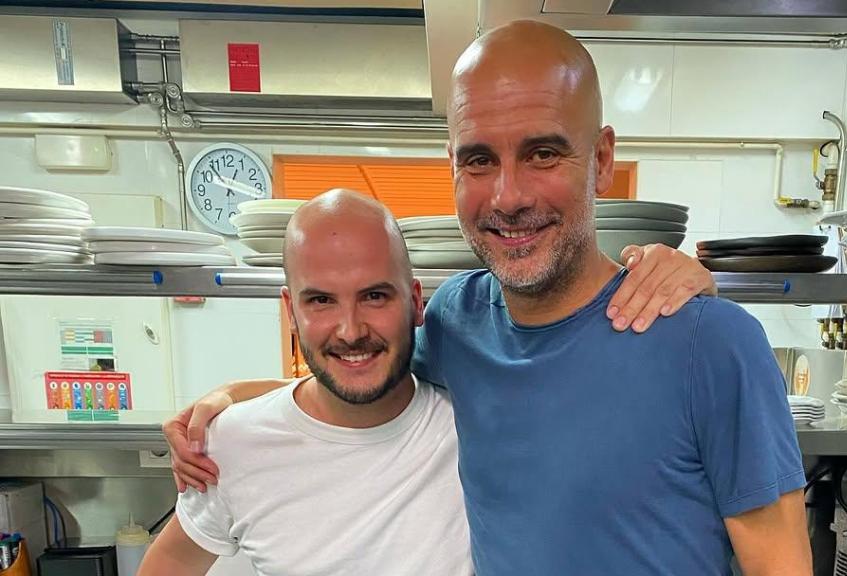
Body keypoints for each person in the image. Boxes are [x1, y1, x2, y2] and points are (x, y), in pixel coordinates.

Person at [169, 20, 811, 576]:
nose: (508, 197)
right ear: (451, 167)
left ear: (601, 159)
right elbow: (362, 369)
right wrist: (225, 401)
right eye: (479, 161)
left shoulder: (710, 343)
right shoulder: (458, 320)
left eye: (543, 153)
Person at [139, 191, 473, 575]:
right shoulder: (231, 442)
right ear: (291, 312)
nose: (351, 331)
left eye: (375, 296)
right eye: (321, 301)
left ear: (415, 302)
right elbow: (174, 560)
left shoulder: (471, 425)